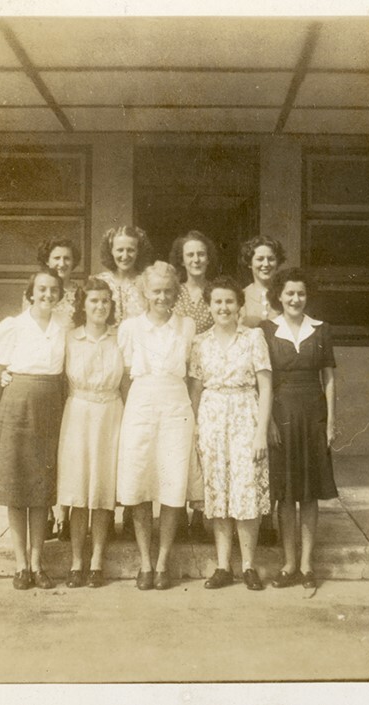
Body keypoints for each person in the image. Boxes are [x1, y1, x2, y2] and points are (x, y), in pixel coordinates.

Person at [116, 261, 200, 590]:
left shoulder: (187, 326)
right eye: (155, 291)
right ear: (144, 293)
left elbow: (194, 374)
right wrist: (132, 411)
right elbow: (124, 378)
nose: (162, 297)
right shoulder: (130, 328)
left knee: (172, 482)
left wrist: (191, 412)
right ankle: (145, 562)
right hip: (140, 403)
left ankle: (163, 561)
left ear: (176, 292)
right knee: (138, 482)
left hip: (176, 405)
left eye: (168, 291)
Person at [189, 276, 273, 591]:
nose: (224, 307)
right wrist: (196, 429)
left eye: (229, 301)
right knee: (219, 492)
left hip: (245, 415)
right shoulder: (200, 342)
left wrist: (260, 432)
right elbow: (196, 389)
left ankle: (249, 566)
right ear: (209, 306)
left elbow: (265, 387)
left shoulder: (253, 338)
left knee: (246, 488)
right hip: (212, 418)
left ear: (239, 305)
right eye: (217, 302)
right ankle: (223, 566)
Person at [0, 269, 66, 590]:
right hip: (17, 408)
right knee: (17, 488)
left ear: (59, 296)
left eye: (53, 290)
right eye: (41, 289)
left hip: (50, 408)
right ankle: (20, 565)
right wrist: (3, 409)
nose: (47, 295)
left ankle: (37, 563)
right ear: (30, 293)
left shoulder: (63, 330)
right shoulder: (13, 326)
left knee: (41, 489)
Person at [259, 268, 338, 590]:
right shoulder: (266, 330)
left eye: (301, 294)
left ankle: (306, 566)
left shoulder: (320, 330)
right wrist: (270, 423)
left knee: (308, 494)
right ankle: (288, 563)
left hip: (312, 415)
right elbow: (262, 381)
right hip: (281, 416)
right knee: (285, 495)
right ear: (278, 295)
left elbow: (329, 378)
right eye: (289, 293)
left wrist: (331, 421)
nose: (295, 299)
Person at [56, 277, 124, 588]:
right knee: (78, 489)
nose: (100, 306)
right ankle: (76, 561)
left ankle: (97, 559)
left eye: (105, 301)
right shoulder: (70, 338)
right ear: (83, 305)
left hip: (110, 413)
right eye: (94, 301)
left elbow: (127, 383)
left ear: (112, 306)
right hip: (78, 413)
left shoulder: (120, 338)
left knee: (101, 490)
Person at [95, 225, 154, 539]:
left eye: (130, 249)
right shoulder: (100, 282)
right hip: (105, 357)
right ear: (111, 251)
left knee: (133, 437)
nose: (125, 255)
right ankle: (102, 512)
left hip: (136, 364)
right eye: (119, 249)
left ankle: (133, 510)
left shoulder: (146, 282)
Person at [24, 238, 82, 540]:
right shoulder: (38, 292)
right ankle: (44, 513)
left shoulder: (79, 294)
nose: (62, 264)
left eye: (67, 258)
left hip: (71, 373)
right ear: (48, 261)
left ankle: (66, 516)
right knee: (43, 445)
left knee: (67, 445)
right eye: (56, 258)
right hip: (46, 374)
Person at [169, 230, 219, 543]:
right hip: (178, 376)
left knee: (205, 444)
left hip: (209, 376)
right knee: (182, 444)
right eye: (190, 255)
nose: (196, 259)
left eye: (201, 254)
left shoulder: (218, 290)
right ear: (182, 259)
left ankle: (202, 513)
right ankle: (180, 508)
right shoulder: (174, 293)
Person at [239, 235, 286, 546]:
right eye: (260, 258)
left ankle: (274, 514)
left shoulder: (286, 294)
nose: (265, 264)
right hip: (254, 377)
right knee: (257, 446)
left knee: (280, 446)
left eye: (270, 258)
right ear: (250, 262)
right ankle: (260, 513)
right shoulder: (241, 297)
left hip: (283, 374)